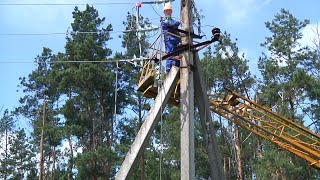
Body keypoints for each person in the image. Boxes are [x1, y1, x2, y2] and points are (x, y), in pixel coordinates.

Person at [161, 3, 181, 72]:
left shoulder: (172, 20)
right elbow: (171, 24)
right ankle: (169, 67)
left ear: (171, 12)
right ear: (164, 12)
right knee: (170, 53)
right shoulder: (164, 20)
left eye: (169, 11)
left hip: (176, 40)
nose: (168, 12)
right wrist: (179, 22)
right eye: (167, 11)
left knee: (177, 53)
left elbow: (174, 23)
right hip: (169, 39)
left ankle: (177, 65)